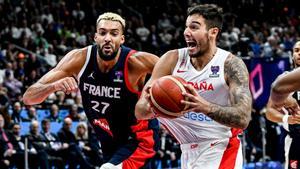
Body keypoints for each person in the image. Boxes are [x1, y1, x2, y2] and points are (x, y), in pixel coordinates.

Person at [23, 12, 159, 169]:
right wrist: (53, 86)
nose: (107, 38)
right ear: (95, 37)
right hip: (108, 141)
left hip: (139, 139)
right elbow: (28, 97)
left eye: (114, 33)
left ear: (122, 39)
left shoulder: (136, 62)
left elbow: (173, 75)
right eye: (103, 32)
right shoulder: (79, 59)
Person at [135, 4, 252, 169]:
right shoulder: (171, 59)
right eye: (186, 27)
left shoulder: (230, 65)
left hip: (221, 147)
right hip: (187, 150)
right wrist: (151, 105)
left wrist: (203, 106)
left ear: (213, 32)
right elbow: (140, 111)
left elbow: (243, 118)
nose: (186, 32)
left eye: (194, 27)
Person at [266, 41, 300, 169]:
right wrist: (287, 119)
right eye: (296, 50)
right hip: (296, 140)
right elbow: (269, 111)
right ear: (292, 55)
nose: (299, 53)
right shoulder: (284, 79)